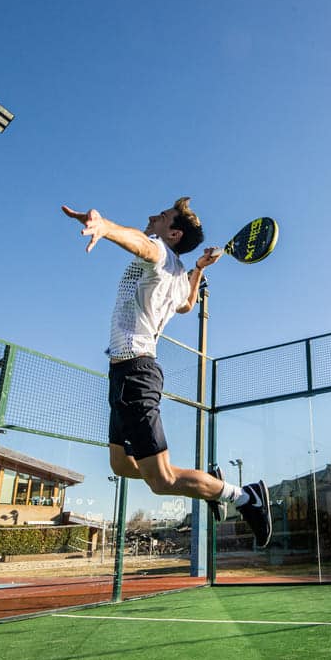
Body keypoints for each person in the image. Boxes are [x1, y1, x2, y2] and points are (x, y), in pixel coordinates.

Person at [61, 199, 272, 547]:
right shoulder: (177, 275)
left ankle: (245, 496)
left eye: (161, 217)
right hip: (124, 374)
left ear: (173, 234)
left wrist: (105, 226)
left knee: (160, 480)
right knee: (121, 464)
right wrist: (200, 268)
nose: (151, 217)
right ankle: (208, 484)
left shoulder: (158, 253)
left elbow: (142, 244)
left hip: (135, 373)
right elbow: (188, 304)